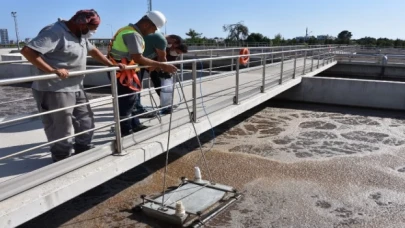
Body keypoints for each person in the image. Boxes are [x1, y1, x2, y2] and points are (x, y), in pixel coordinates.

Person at [21, 9, 125, 162]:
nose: (92, 32)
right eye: (91, 29)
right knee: (61, 126)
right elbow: (28, 51)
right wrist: (53, 70)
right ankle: (61, 157)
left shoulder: (79, 34)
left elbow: (94, 51)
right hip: (54, 88)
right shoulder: (55, 31)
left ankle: (83, 149)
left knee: (86, 120)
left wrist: (111, 65)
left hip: (76, 85)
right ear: (81, 24)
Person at [107, 10, 177, 137]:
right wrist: (162, 65)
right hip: (123, 73)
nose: (153, 32)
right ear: (146, 25)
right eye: (153, 29)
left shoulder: (127, 29)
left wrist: (152, 66)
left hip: (128, 71)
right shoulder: (133, 34)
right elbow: (138, 58)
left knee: (133, 100)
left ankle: (135, 124)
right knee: (126, 102)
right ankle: (125, 131)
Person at [134, 34, 184, 117]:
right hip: (142, 63)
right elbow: (160, 58)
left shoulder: (164, 44)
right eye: (173, 45)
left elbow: (162, 59)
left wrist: (163, 70)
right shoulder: (160, 40)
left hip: (151, 64)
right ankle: (137, 108)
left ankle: (165, 104)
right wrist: (160, 68)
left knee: (159, 85)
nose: (171, 46)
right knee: (136, 86)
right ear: (173, 40)